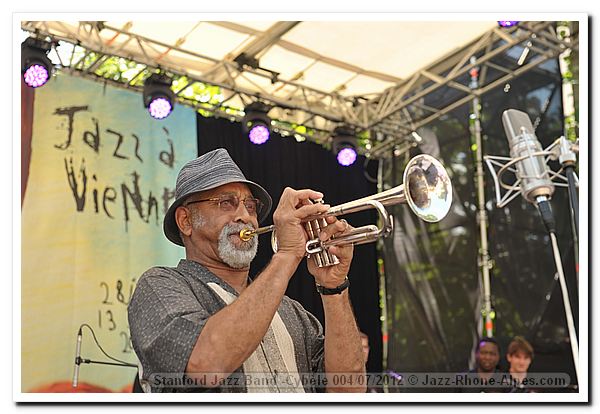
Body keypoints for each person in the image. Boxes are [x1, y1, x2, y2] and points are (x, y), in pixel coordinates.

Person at [127, 148, 366, 393]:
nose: (245, 216)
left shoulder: (291, 311)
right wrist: (286, 255)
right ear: (186, 221)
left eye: (250, 206)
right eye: (225, 203)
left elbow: (348, 391)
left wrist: (334, 287)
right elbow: (207, 363)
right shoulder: (160, 285)